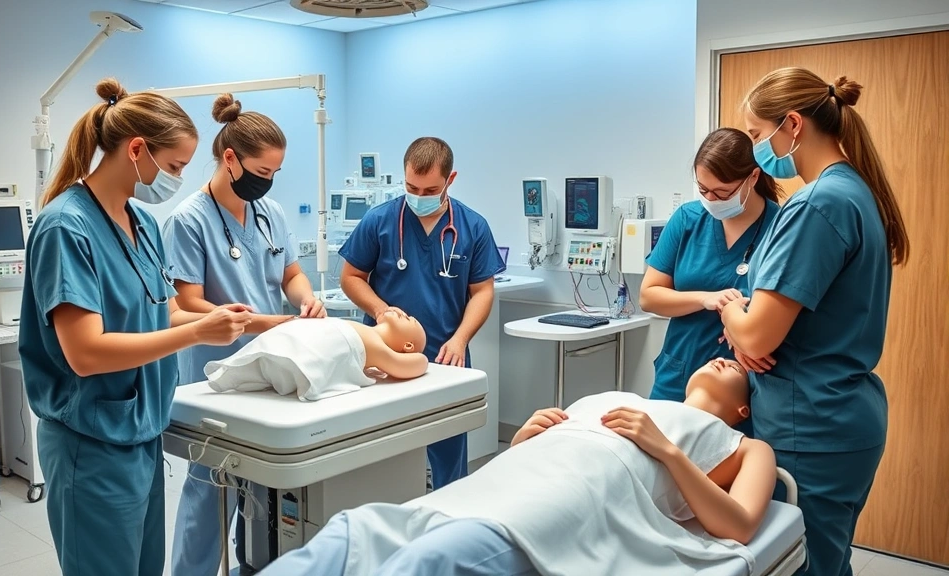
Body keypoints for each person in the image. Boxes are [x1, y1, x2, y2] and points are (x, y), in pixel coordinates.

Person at [18, 78, 254, 576]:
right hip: (90, 439)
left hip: (142, 432)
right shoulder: (66, 227)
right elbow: (86, 352)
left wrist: (221, 320)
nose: (178, 179)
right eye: (174, 167)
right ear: (137, 149)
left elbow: (164, 311)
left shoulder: (142, 223)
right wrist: (195, 333)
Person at [259, 358, 776, 576]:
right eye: (718, 357)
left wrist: (667, 451)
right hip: (512, 477)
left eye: (735, 368)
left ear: (743, 410)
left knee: (433, 560)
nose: (721, 358)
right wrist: (523, 441)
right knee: (355, 532)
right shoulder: (629, 397)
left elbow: (737, 524)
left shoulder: (746, 446)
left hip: (579, 495)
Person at [719, 68, 910, 576]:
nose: (756, 148)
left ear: (793, 125)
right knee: (827, 560)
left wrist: (731, 312)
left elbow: (759, 331)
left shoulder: (817, 203)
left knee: (802, 565)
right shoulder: (852, 191)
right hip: (840, 413)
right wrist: (747, 331)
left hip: (812, 423)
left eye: (758, 136)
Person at [164, 94, 326, 576]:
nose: (268, 180)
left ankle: (252, 565)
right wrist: (264, 322)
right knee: (211, 487)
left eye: (275, 172)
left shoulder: (270, 212)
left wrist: (305, 298)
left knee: (261, 487)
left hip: (271, 368)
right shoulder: (188, 220)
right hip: (216, 374)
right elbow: (188, 303)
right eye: (262, 169)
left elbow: (290, 273)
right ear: (230, 159)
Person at [339, 137, 505, 490]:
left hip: (447, 356)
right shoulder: (380, 221)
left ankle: (445, 523)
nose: (418, 195)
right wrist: (381, 311)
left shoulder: (472, 227)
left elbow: (482, 291)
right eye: (411, 186)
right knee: (383, 456)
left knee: (448, 457)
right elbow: (351, 277)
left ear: (450, 179)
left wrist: (461, 339)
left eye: (430, 189)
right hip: (383, 359)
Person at [641, 128, 781, 436]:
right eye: (703, 189)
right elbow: (649, 296)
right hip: (679, 370)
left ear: (753, 178)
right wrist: (705, 298)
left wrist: (743, 331)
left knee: (724, 473)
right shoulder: (689, 219)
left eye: (722, 192)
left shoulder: (781, 228)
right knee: (657, 465)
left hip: (739, 388)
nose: (710, 200)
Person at [204, 311, 430, 397]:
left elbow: (415, 364)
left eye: (411, 318)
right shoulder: (369, 334)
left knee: (292, 349)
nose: (405, 313)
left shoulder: (378, 349)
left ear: (408, 347)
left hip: (306, 354)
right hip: (296, 336)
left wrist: (422, 358)